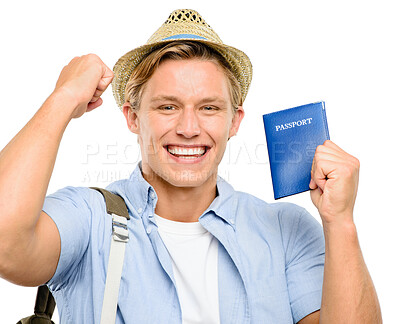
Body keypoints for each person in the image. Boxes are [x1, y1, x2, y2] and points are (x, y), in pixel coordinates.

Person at [0, 8, 381, 324]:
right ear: (133, 118)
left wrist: (341, 221)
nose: (188, 128)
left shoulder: (287, 233)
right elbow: (5, 246)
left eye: (209, 108)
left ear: (234, 122)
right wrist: (64, 97)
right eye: (167, 106)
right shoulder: (89, 218)